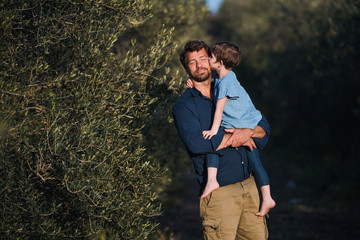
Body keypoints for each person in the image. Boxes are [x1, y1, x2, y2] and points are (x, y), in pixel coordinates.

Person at [172, 40, 270, 239]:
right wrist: (236, 137)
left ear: (211, 60)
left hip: (250, 187)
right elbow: (196, 143)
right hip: (220, 194)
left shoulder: (229, 86)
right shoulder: (184, 106)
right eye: (192, 62)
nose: (199, 65)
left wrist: (249, 132)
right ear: (186, 68)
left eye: (202, 59)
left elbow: (263, 127)